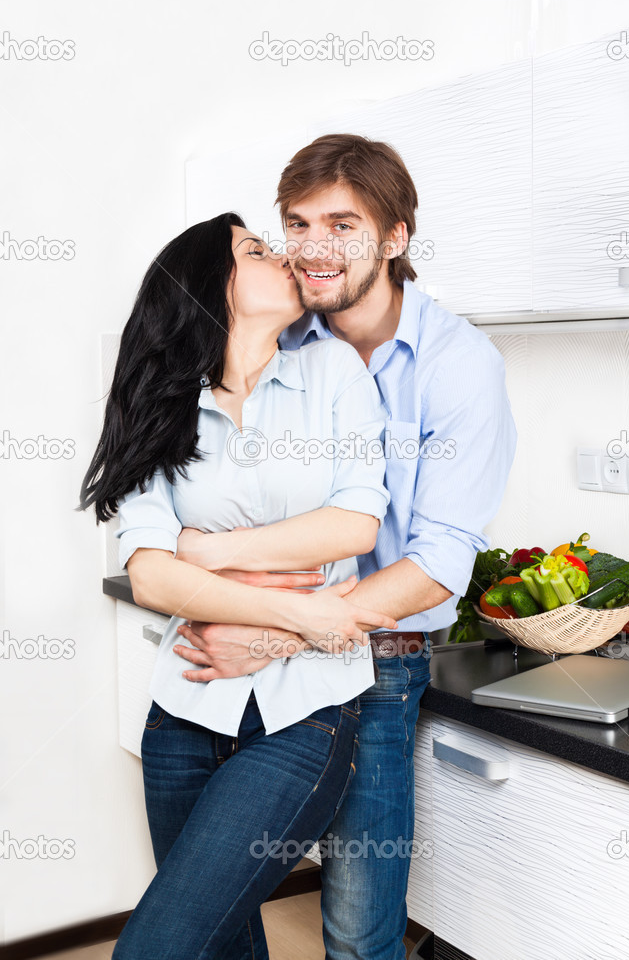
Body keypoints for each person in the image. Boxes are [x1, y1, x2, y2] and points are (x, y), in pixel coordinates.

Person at [172, 135, 518, 960]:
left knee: (360, 922)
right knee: (207, 894)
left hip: (382, 654)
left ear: (395, 237)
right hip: (249, 627)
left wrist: (272, 632)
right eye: (296, 223)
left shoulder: (460, 366)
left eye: (342, 223)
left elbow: (437, 562)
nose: (313, 246)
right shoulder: (279, 338)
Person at [79, 210, 399, 959]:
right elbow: (151, 570)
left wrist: (208, 553)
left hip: (305, 713)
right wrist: (289, 608)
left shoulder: (334, 372)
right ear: (205, 287)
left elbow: (355, 522)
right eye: (256, 248)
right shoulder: (160, 407)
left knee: (153, 948)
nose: (283, 253)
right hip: (182, 713)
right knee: (218, 945)